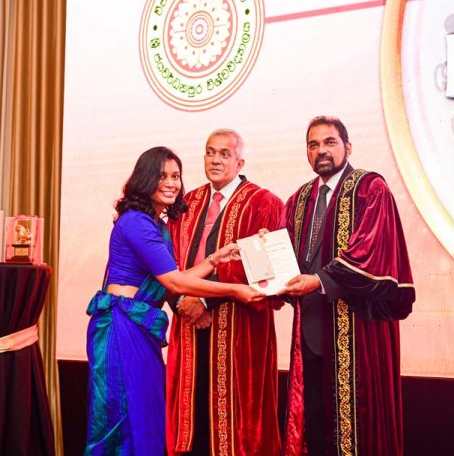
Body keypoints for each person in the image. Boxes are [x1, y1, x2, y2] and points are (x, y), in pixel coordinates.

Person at [85, 146, 262, 456]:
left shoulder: (157, 224)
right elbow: (175, 283)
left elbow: (172, 277)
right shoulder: (136, 222)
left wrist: (215, 258)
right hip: (121, 328)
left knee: (145, 414)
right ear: (145, 179)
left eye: (176, 176)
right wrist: (236, 291)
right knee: (119, 418)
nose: (171, 183)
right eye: (161, 176)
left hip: (138, 327)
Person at [279, 116, 415, 455]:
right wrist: (269, 257)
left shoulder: (370, 189)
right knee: (316, 425)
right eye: (313, 145)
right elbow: (288, 255)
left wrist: (319, 280)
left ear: (348, 147)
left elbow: (371, 253)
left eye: (330, 142)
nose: (321, 151)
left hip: (357, 333)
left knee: (359, 427)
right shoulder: (299, 199)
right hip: (310, 332)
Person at [166, 129, 283, 455]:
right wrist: (182, 300)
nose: (215, 160)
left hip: (238, 329)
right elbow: (164, 262)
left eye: (224, 154)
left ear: (239, 162)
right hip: (188, 325)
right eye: (210, 152)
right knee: (193, 422)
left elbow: (263, 272)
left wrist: (203, 300)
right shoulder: (185, 204)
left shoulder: (263, 203)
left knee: (236, 427)